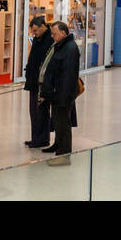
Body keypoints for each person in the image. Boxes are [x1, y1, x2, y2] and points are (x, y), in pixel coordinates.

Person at [39, 21, 81, 155]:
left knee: (63, 122)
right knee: (57, 121)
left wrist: (64, 96)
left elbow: (68, 76)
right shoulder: (60, 45)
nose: (52, 36)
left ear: (63, 33)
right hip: (55, 93)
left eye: (54, 33)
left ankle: (64, 151)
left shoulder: (70, 48)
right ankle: (57, 144)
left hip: (62, 93)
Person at [22, 16, 53, 149]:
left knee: (41, 111)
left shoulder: (49, 40)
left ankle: (42, 139)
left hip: (42, 82)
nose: (34, 33)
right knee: (33, 111)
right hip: (33, 81)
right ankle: (35, 137)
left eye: (35, 30)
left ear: (42, 27)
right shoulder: (37, 38)